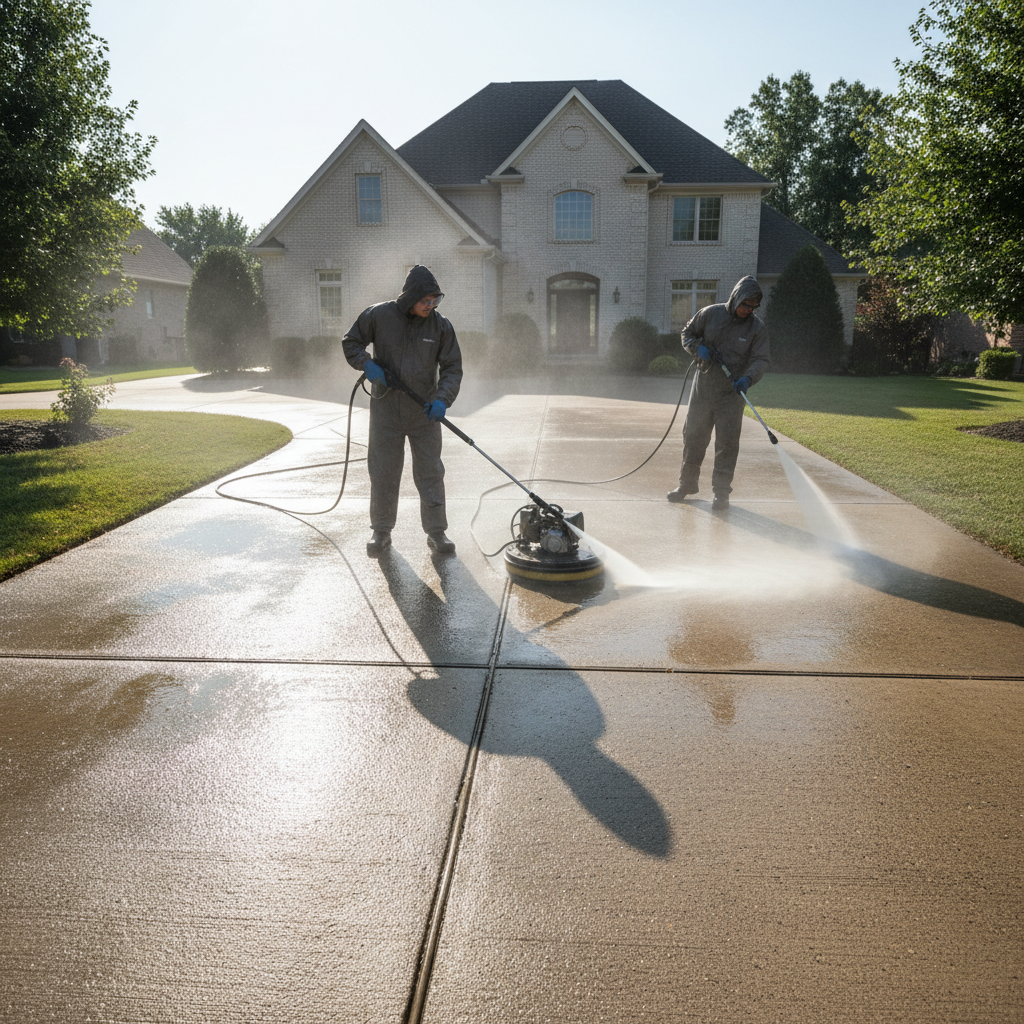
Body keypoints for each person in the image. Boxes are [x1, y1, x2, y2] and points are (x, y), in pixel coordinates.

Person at [343, 265, 463, 556]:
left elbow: (452, 368)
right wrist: (366, 363)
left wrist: (442, 401)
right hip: (386, 411)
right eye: (426, 300)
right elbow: (351, 341)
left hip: (424, 414)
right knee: (384, 472)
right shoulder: (379, 315)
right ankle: (381, 532)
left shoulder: (440, 326)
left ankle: (437, 534)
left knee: (430, 473)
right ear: (411, 297)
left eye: (435, 300)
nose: (430, 305)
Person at [668, 275, 771, 512]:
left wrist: (748, 378)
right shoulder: (710, 314)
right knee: (693, 438)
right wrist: (697, 348)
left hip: (731, 395)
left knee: (727, 444)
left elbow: (761, 359)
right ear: (736, 298)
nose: (748, 310)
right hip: (703, 390)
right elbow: (687, 334)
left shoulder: (757, 328)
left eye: (753, 306)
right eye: (746, 304)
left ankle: (721, 494)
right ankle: (685, 486)